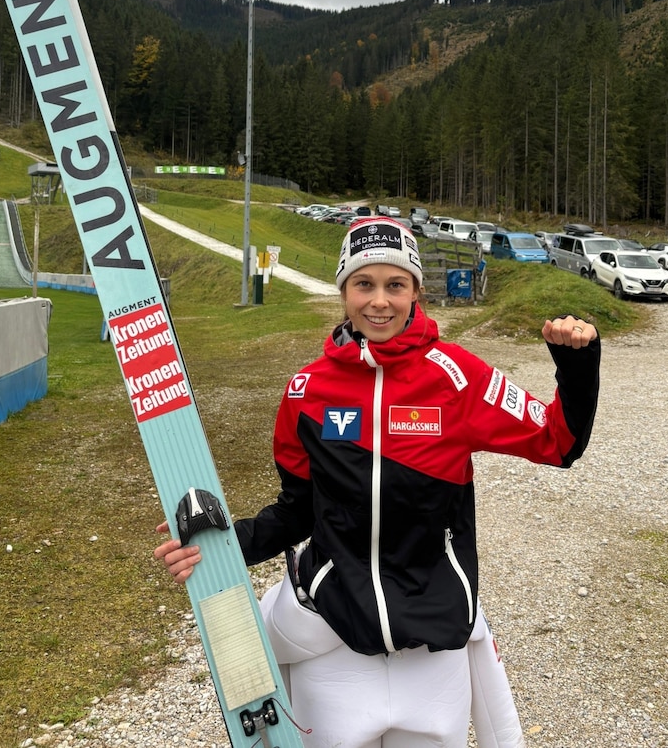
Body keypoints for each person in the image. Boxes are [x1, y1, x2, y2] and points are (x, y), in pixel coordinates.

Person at [155, 216, 600, 748]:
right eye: (364, 284)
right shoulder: (307, 390)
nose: (379, 302)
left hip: (431, 637)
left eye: (395, 285)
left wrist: (576, 365)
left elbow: (559, 442)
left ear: (416, 291)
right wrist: (225, 547)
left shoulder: (457, 376)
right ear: (344, 290)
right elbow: (297, 510)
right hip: (334, 632)